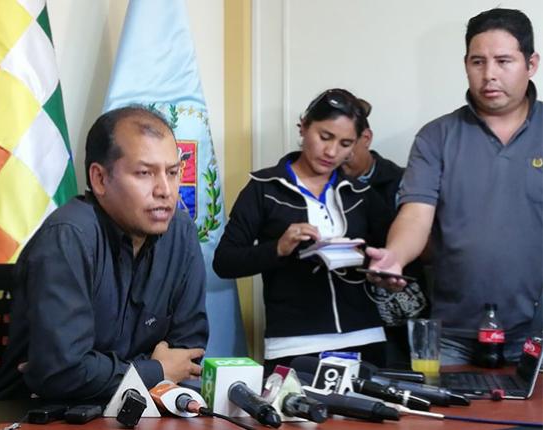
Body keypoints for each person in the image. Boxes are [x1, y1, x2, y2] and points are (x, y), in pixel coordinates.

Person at [0, 106, 209, 401]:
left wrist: (107, 371)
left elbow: (187, 357)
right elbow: (62, 374)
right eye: (145, 173)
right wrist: (154, 369)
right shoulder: (68, 237)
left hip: (140, 411)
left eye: (172, 172)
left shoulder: (180, 232)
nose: (166, 191)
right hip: (41, 416)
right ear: (100, 179)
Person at [367, 8, 543, 364]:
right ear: (465, 64)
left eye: (503, 61)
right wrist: (395, 257)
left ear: (532, 63)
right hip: (453, 337)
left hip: (538, 335)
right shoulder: (437, 137)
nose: (489, 74)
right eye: (478, 62)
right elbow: (416, 215)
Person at [213, 88, 393, 372]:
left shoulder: (361, 193)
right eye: (325, 137)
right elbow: (224, 261)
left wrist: (384, 272)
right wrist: (279, 248)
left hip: (365, 337)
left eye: (346, 143)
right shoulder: (264, 188)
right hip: (293, 344)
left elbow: (389, 253)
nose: (332, 152)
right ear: (304, 126)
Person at [340, 101, 429, 369]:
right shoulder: (324, 184)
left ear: (365, 138)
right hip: (348, 317)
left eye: (346, 145)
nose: (335, 153)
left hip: (400, 312)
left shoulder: (404, 181)